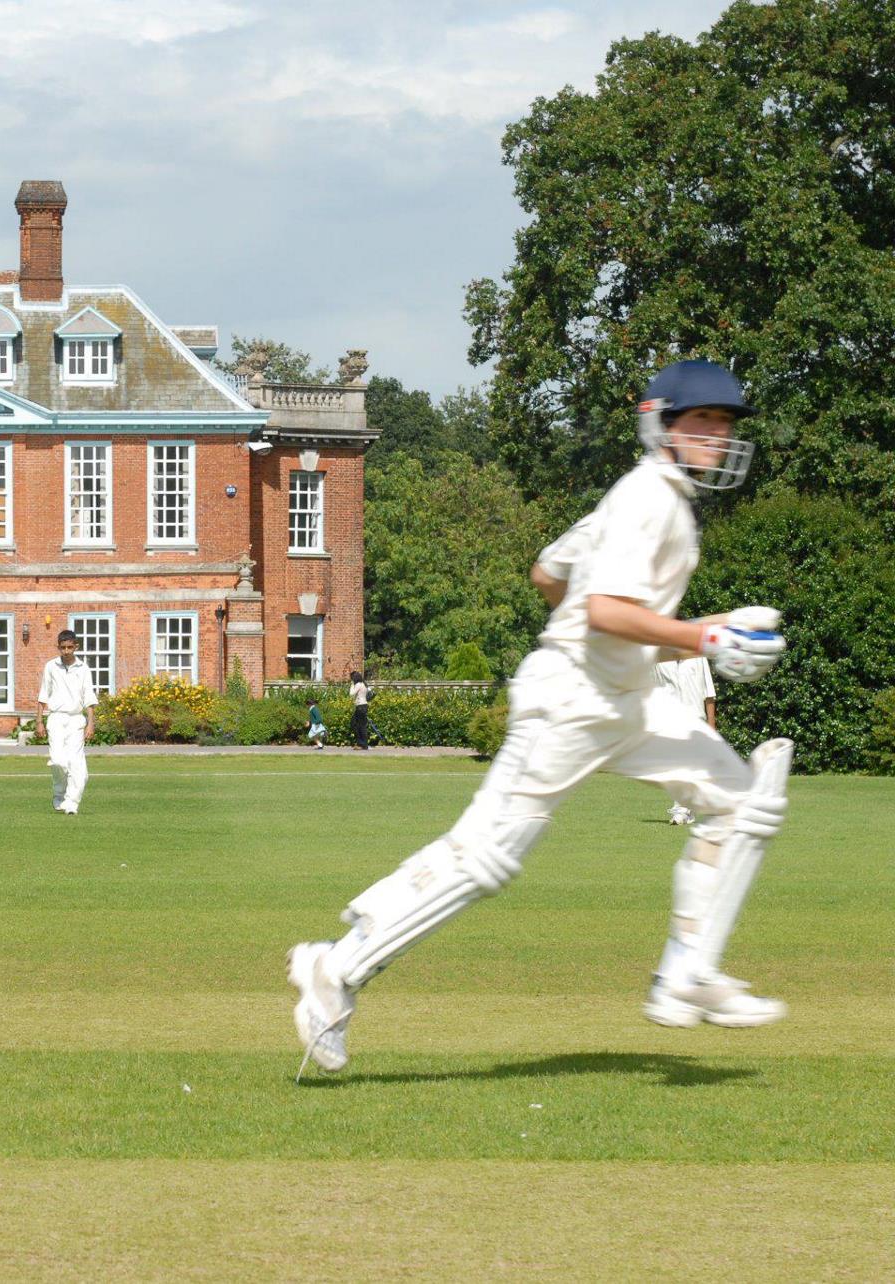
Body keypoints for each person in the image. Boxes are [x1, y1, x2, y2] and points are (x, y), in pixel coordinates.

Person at [288, 359, 792, 1075]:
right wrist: (705, 636)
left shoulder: (645, 504)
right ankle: (332, 970)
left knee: (741, 801)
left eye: (724, 425)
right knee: (486, 859)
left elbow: (549, 574)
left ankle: (687, 971)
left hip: (630, 699)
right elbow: (603, 610)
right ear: (663, 424)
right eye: (703, 421)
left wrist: (670, 622)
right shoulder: (646, 497)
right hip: (570, 701)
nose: (717, 436)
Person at [37, 628, 98, 814]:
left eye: (70, 647)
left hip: (75, 720)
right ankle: (59, 794)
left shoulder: (84, 668)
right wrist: (39, 721)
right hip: (55, 718)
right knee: (58, 761)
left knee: (77, 765)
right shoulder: (51, 666)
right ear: (58, 647)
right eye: (63, 647)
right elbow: (43, 694)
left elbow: (89, 696)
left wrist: (91, 723)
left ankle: (72, 803)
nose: (66, 651)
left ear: (76, 647)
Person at [655, 656, 717, 824]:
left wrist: (712, 726)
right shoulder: (660, 659)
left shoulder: (698, 657)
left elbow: (709, 693)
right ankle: (688, 808)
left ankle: (682, 810)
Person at [348, 670, 372, 749]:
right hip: (363, 706)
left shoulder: (358, 684)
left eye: (351, 678)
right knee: (357, 724)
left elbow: (351, 694)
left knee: (360, 726)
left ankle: (363, 744)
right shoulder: (364, 684)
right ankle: (361, 743)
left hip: (361, 706)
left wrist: (352, 684)